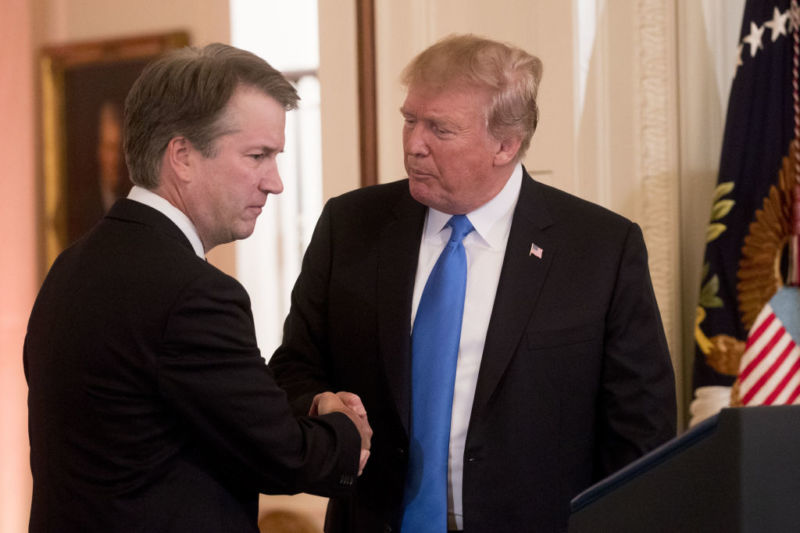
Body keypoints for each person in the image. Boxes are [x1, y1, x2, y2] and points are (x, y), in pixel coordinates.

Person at [268, 34, 676, 533]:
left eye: (439, 129)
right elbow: (293, 368)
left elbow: (642, 432)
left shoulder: (599, 248)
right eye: (409, 119)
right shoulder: (351, 225)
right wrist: (320, 403)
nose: (413, 144)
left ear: (506, 144)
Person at [24, 43, 371, 533]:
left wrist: (307, 406)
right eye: (257, 156)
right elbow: (286, 457)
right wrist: (345, 429)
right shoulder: (192, 293)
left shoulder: (73, 264)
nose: (275, 183)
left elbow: (209, 403)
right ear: (182, 156)